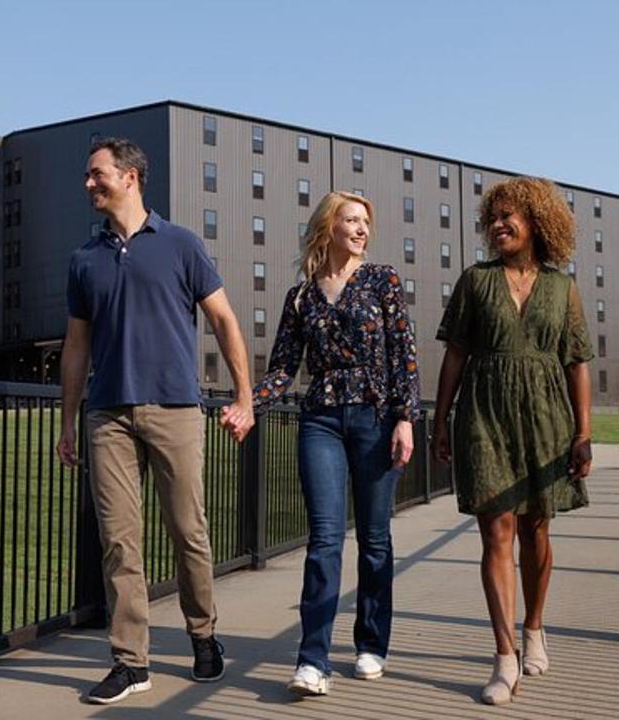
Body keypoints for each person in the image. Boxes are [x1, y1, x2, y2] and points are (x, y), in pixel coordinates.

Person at [56, 138, 256, 704]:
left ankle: (204, 636)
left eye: (97, 174)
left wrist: (244, 396)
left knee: (188, 531)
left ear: (130, 176)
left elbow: (223, 319)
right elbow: (76, 347)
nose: (89, 184)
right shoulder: (83, 259)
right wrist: (68, 422)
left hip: (174, 408)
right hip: (107, 415)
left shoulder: (180, 244)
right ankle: (130, 661)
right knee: (119, 541)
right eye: (88, 175)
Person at [432, 176, 594, 705]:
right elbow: (455, 353)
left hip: (547, 418)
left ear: (537, 222)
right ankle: (504, 657)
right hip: (485, 414)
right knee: (496, 533)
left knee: (536, 531)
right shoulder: (475, 281)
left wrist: (584, 432)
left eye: (509, 216)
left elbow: (576, 363)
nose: (498, 225)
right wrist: (440, 421)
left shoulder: (562, 287)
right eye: (493, 217)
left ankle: (534, 628)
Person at [251, 191, 419, 697]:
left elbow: (403, 356)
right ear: (329, 226)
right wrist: (247, 403)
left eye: (366, 221)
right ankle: (313, 659)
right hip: (320, 420)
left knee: (374, 541)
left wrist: (405, 419)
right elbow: (282, 368)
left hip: (374, 417)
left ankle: (371, 643)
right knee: (324, 540)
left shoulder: (382, 280)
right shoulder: (301, 296)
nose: (362, 229)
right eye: (352, 220)